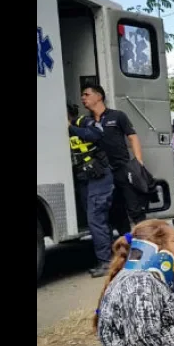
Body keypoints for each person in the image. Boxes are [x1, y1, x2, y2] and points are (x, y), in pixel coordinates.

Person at [81, 85, 147, 242]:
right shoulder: (86, 122)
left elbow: (132, 136)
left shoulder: (117, 116)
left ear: (99, 96)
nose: (83, 98)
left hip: (122, 169)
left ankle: (148, 245)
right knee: (116, 213)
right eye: (82, 95)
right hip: (103, 174)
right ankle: (126, 248)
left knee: (135, 209)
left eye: (87, 94)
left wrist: (138, 162)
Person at [68, 104, 115, 278]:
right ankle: (110, 259)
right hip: (85, 179)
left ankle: (106, 262)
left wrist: (70, 127)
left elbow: (96, 135)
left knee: (96, 219)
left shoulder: (84, 122)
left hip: (99, 177)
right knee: (98, 220)